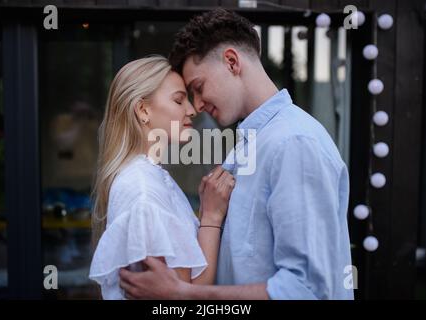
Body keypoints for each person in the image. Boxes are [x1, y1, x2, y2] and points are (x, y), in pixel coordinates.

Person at [119, 8, 354, 300]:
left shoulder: (294, 143)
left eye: (198, 88)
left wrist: (183, 294)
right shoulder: (253, 142)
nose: (198, 105)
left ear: (231, 62)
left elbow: (305, 289)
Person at [89, 55, 235, 299]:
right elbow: (185, 298)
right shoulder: (143, 190)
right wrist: (211, 216)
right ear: (143, 109)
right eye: (179, 100)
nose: (191, 110)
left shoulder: (149, 177)